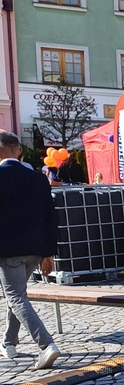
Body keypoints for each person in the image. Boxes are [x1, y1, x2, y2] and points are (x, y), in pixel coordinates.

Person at [0, 132, 61, 369]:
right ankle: (9, 342)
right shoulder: (38, 178)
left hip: (8, 250)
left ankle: (46, 345)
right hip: (35, 248)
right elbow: (50, 217)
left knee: (15, 297)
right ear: (18, 150)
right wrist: (49, 252)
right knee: (17, 295)